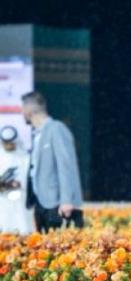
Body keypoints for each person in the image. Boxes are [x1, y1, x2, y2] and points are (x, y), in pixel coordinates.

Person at [21, 92, 84, 232]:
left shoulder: (56, 129)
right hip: (41, 204)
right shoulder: (37, 134)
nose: (22, 113)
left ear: (30, 111)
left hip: (57, 204)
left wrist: (67, 200)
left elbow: (66, 165)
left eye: (22, 109)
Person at [0, 126, 33, 233]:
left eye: (11, 142)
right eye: (6, 142)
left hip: (21, 200)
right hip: (2, 201)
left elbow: (29, 179)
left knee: (21, 226)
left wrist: (18, 184)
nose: (8, 145)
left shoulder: (25, 157)